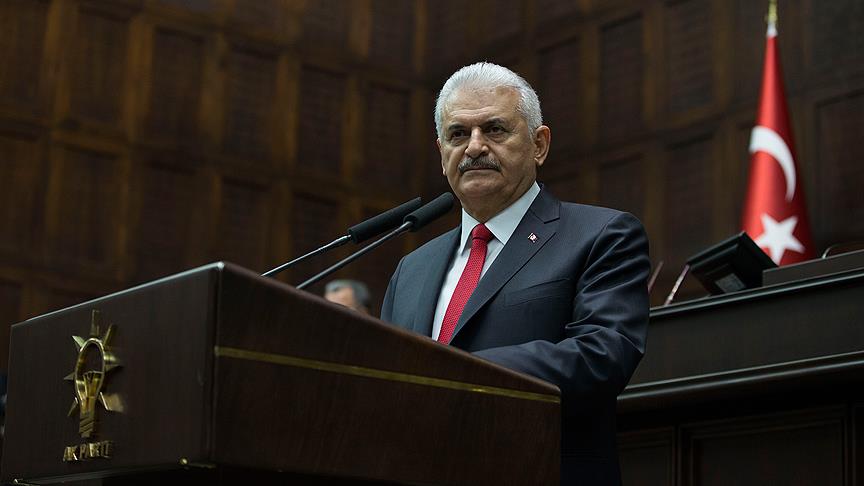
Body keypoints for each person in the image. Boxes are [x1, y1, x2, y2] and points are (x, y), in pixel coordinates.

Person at [381, 62, 649, 485]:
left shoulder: (602, 235)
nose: (474, 147)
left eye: (494, 129)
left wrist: (453, 373)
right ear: (441, 154)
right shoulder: (412, 269)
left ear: (539, 145)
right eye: (458, 134)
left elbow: (602, 355)